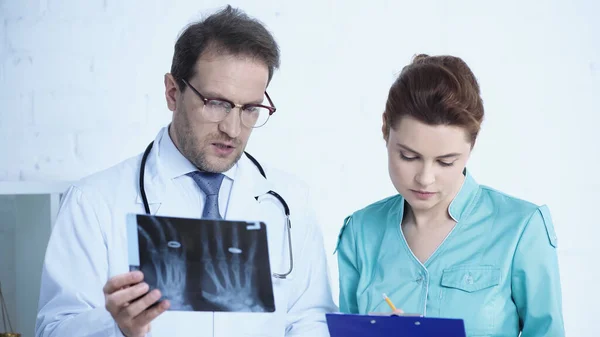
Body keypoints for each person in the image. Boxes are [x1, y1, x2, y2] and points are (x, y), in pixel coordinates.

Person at [35, 5, 336, 337]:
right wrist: (115, 326)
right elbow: (53, 328)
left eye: (250, 109)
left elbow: (311, 319)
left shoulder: (290, 200)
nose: (233, 129)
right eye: (217, 103)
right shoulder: (93, 203)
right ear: (172, 92)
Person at [335, 54, 565, 336]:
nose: (425, 178)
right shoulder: (360, 232)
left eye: (446, 162)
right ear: (385, 129)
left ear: (472, 145)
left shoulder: (521, 228)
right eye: (408, 156)